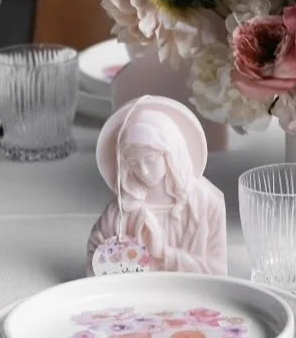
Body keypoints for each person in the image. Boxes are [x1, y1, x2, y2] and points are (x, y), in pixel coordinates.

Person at [87, 96, 227, 275]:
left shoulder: (206, 203)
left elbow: (217, 271)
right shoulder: (122, 209)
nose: (144, 171)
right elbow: (94, 261)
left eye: (150, 160)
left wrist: (165, 254)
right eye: (134, 163)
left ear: (169, 153)